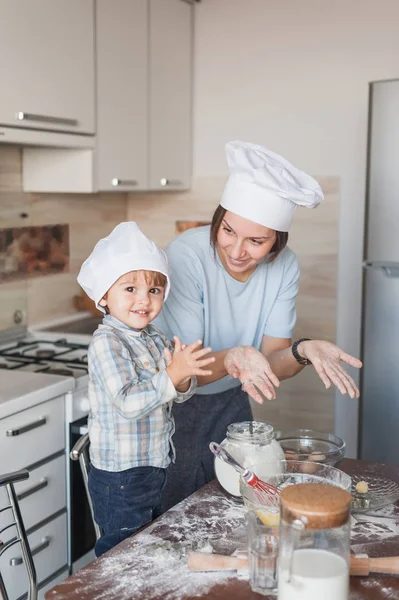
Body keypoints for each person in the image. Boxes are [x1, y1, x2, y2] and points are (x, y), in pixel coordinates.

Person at [155, 140, 362, 512]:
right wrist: (236, 355)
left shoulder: (285, 267)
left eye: (256, 241)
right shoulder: (186, 255)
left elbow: (270, 363)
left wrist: (303, 351)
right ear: (218, 220)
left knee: (235, 509)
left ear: (276, 243)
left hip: (233, 407)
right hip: (172, 408)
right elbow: (188, 374)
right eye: (228, 231)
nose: (237, 251)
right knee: (172, 516)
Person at [77, 222, 214, 556]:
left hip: (153, 466)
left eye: (154, 290)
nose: (144, 300)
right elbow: (128, 402)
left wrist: (181, 379)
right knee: (122, 554)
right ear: (104, 296)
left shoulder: (153, 337)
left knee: (146, 545)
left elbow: (173, 395)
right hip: (120, 477)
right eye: (130, 289)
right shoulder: (107, 343)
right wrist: (171, 375)